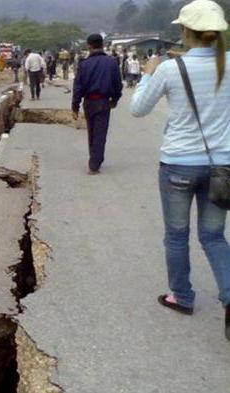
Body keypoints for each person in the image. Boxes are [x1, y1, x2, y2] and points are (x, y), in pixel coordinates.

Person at [129, 0, 230, 341]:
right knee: (214, 236)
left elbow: (138, 110)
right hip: (221, 167)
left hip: (178, 166)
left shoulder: (171, 69)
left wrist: (146, 76)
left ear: (186, 32)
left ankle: (182, 296)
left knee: (176, 234)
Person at [72, 33, 123, 174]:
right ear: (102, 45)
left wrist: (75, 106)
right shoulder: (112, 63)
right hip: (104, 101)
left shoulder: (84, 65)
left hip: (89, 102)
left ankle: (94, 160)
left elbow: (78, 87)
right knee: (100, 132)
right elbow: (117, 84)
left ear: (89, 45)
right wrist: (115, 99)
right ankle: (95, 163)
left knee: (92, 131)